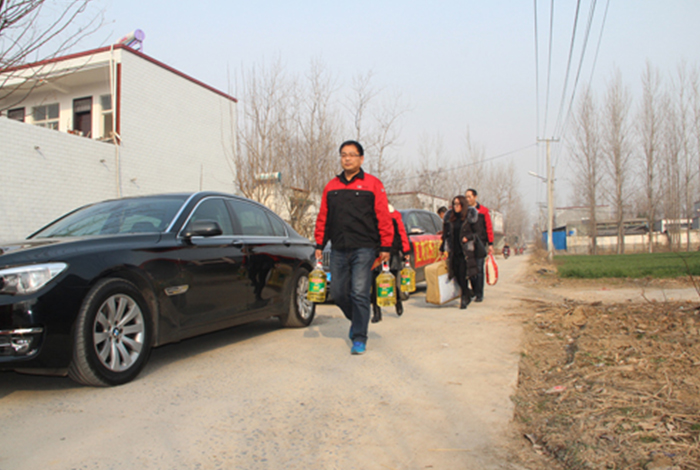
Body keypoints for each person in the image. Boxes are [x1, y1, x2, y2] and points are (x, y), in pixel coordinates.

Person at [314, 140, 393, 355]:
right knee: (338, 293)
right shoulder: (331, 186)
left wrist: (386, 245)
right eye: (343, 155)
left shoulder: (373, 184)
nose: (347, 159)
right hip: (339, 248)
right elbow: (323, 217)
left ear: (361, 158)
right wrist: (319, 243)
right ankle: (358, 319)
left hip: (364, 248)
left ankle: (359, 336)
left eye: (352, 155)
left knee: (359, 293)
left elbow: (383, 217)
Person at [371, 204, 411, 323]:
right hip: (376, 254)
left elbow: (401, 234)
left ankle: (397, 300)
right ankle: (376, 312)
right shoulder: (371, 216)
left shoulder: (394, 216)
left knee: (392, 282)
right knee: (375, 283)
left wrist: (405, 251)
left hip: (392, 253)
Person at [440, 195, 479, 309]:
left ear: (463, 205)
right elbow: (445, 234)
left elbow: (476, 233)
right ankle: (468, 293)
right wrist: (442, 248)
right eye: (454, 204)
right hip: (454, 250)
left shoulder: (469, 217)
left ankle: (464, 299)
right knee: (455, 274)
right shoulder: (450, 217)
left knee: (463, 275)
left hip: (465, 251)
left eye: (458, 204)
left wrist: (468, 237)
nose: (455, 206)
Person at [465, 188, 494, 302]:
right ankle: (473, 290)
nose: (467, 199)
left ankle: (479, 294)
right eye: (466, 197)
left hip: (480, 243)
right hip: (468, 244)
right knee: (470, 269)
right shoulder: (465, 211)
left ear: (475, 197)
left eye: (469, 196)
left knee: (479, 268)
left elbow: (489, 227)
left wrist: (490, 243)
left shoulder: (483, 211)